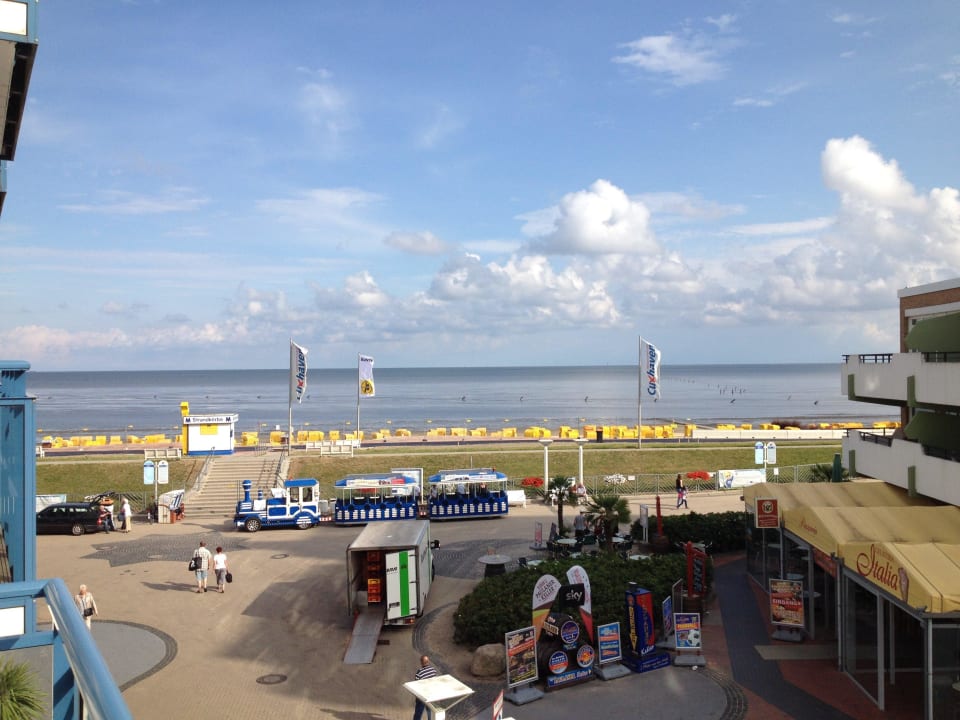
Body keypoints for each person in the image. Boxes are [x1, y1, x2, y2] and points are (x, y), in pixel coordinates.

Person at [412, 654, 438, 720]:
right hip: (430, 694)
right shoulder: (433, 670)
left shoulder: (419, 672)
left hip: (422, 695)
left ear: (421, 662)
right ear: (428, 661)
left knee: (418, 712)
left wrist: (417, 697)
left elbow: (416, 684)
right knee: (429, 709)